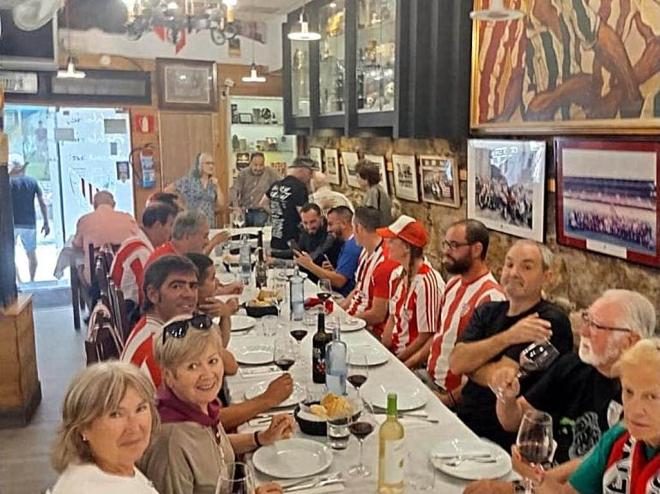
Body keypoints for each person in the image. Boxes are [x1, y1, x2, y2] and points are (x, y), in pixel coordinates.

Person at [464, 290, 657, 494]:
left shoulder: (630, 427)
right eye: (628, 392)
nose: (583, 332)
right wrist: (506, 396)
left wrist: (527, 482)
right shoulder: (618, 434)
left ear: (629, 342)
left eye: (596, 326)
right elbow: (514, 422)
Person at [122, 255, 293, 430]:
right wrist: (267, 400)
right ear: (153, 294)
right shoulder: (157, 345)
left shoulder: (166, 328)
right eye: (176, 286)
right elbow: (200, 422)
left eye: (192, 286)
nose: (188, 294)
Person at [140, 315, 294, 494]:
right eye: (192, 366)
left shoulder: (196, 408)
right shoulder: (171, 443)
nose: (207, 374)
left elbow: (211, 449)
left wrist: (260, 438)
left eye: (212, 361)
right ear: (169, 376)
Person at [449, 239, 574, 449]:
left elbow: (502, 378)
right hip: (463, 423)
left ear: (547, 277)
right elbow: (456, 363)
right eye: (509, 265)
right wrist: (509, 336)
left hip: (507, 440)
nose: (514, 273)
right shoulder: (488, 311)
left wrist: (472, 367)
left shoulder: (549, 321)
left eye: (526, 267)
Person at [509, 337, 660, 494]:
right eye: (629, 391)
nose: (634, 409)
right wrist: (531, 475)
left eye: (652, 397)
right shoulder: (619, 435)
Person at [412, 220, 505, 407]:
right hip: (428, 379)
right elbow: (438, 336)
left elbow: (483, 368)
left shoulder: (491, 298)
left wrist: (448, 400)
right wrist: (407, 365)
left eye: (454, 245)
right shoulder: (453, 283)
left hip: (451, 398)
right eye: (446, 244)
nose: (446, 251)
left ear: (477, 249)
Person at [50, 361, 159, 494]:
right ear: (83, 426)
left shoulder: (114, 470)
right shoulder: (87, 489)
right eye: (116, 414)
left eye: (140, 408)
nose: (134, 427)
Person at [378, 215, 444, 361]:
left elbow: (426, 336)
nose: (386, 244)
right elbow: (392, 317)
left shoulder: (427, 283)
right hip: (393, 353)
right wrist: (382, 351)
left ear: (407, 247)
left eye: (392, 241)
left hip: (411, 361)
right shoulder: (397, 274)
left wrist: (398, 362)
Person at [341, 206, 399, 338]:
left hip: (367, 329)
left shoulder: (383, 264)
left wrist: (347, 322)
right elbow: (359, 287)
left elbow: (378, 314)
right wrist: (339, 308)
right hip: (352, 318)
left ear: (359, 228)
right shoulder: (365, 250)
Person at [110, 202, 177, 310]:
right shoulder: (140, 252)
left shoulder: (135, 240)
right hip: (131, 311)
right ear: (158, 226)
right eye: (170, 225)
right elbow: (145, 294)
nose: (172, 231)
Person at [294, 206, 361, 297]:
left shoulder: (351, 247)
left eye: (330, 224)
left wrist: (309, 265)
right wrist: (331, 272)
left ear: (344, 224)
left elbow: (339, 281)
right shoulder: (347, 244)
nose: (328, 229)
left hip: (344, 296)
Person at [73, 190, 139, 282]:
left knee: (79, 267)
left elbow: (76, 246)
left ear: (94, 205)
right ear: (114, 204)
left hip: (95, 276)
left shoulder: (84, 220)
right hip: (125, 275)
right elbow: (138, 240)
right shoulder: (128, 218)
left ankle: (89, 295)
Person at [260, 157, 314, 256]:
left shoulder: (276, 184)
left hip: (276, 239)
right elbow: (304, 214)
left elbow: (263, 203)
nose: (311, 177)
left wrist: (278, 214)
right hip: (292, 240)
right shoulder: (299, 187)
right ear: (302, 170)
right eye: (310, 173)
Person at [8, 154, 50, 282]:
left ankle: (18, 281)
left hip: (11, 223)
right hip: (29, 223)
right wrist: (46, 221)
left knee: (10, 256)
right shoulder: (32, 182)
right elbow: (42, 202)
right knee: (31, 253)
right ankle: (32, 280)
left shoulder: (7, 182)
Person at [146, 210, 228, 267]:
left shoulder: (180, 255)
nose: (207, 242)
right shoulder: (168, 261)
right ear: (187, 236)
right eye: (204, 236)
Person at [165, 152, 224, 228]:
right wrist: (182, 206)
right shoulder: (189, 181)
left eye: (212, 163)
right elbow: (167, 190)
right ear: (199, 165)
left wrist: (217, 187)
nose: (211, 166)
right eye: (208, 163)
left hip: (209, 224)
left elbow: (221, 205)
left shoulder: (213, 183)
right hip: (192, 224)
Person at [229, 152, 279, 227]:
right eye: (255, 165)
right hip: (245, 212)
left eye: (261, 165)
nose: (258, 168)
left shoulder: (270, 173)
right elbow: (234, 190)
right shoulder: (243, 173)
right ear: (250, 163)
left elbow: (281, 186)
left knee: (259, 236)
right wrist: (236, 207)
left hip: (262, 212)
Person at [297, 203, 341, 270]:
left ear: (321, 218)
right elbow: (298, 250)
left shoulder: (330, 231)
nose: (309, 226)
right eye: (305, 223)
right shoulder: (305, 230)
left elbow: (317, 254)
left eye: (312, 222)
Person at [356, 159, 392, 227]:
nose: (357, 179)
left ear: (366, 178)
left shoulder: (373, 192)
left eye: (358, 177)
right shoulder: (375, 189)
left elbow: (369, 218)